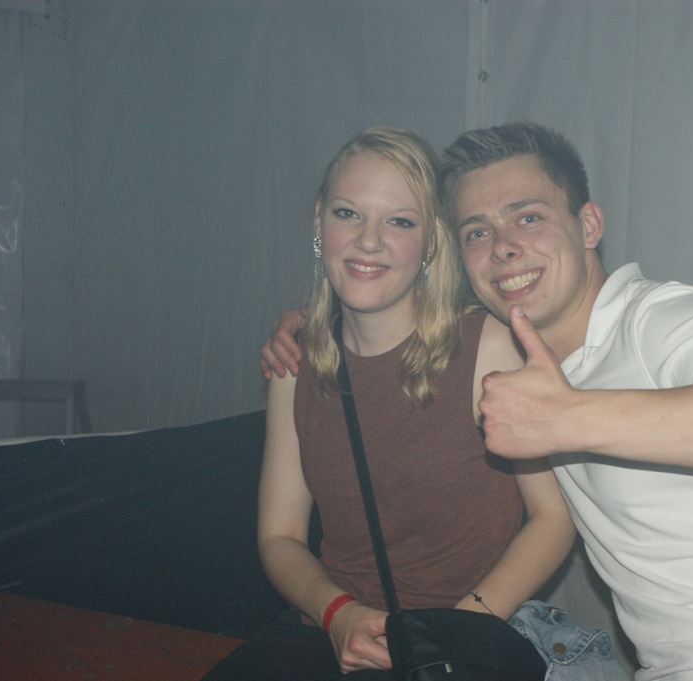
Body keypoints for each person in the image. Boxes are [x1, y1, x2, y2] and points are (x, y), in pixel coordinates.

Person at [263, 122, 693, 681]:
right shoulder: (532, 365)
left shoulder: (656, 319)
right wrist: (309, 325)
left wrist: (567, 418)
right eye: (478, 231)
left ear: (588, 225)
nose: (503, 246)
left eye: (527, 217)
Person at [206, 127, 580, 681]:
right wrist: (336, 614)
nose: (368, 241)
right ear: (318, 221)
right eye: (348, 214)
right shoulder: (296, 362)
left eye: (400, 222)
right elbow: (279, 535)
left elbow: (553, 518)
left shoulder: (489, 346)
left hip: (461, 632)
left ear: (432, 242)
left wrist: (458, 630)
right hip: (328, 631)